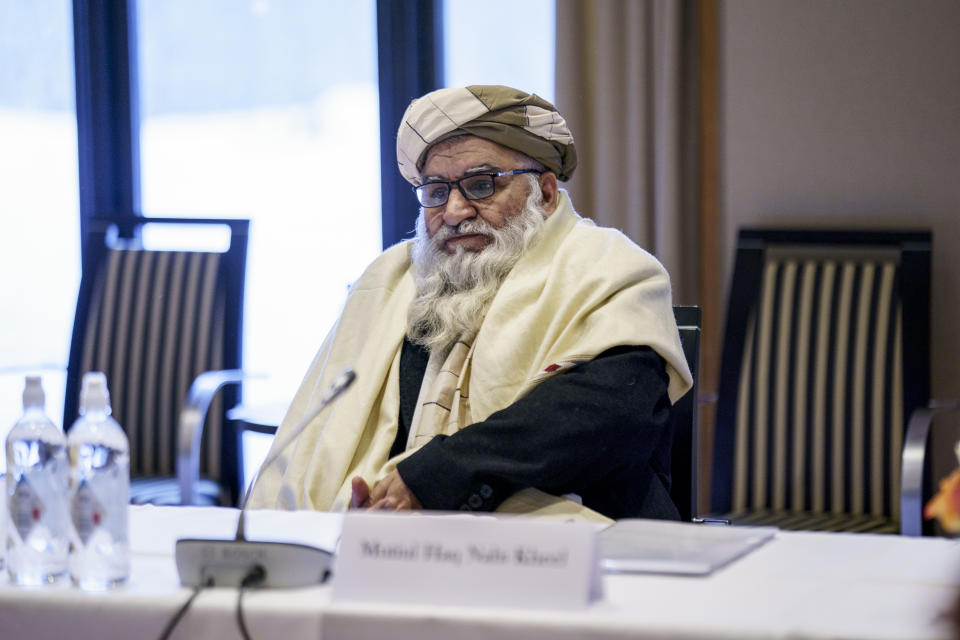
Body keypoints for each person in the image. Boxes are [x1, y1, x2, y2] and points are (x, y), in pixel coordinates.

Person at [249, 85, 692, 522]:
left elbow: (609, 415)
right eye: (437, 192)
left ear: (546, 191)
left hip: (582, 549)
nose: (456, 210)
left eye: (481, 185)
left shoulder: (609, 268)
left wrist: (435, 478)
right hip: (386, 545)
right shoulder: (390, 282)